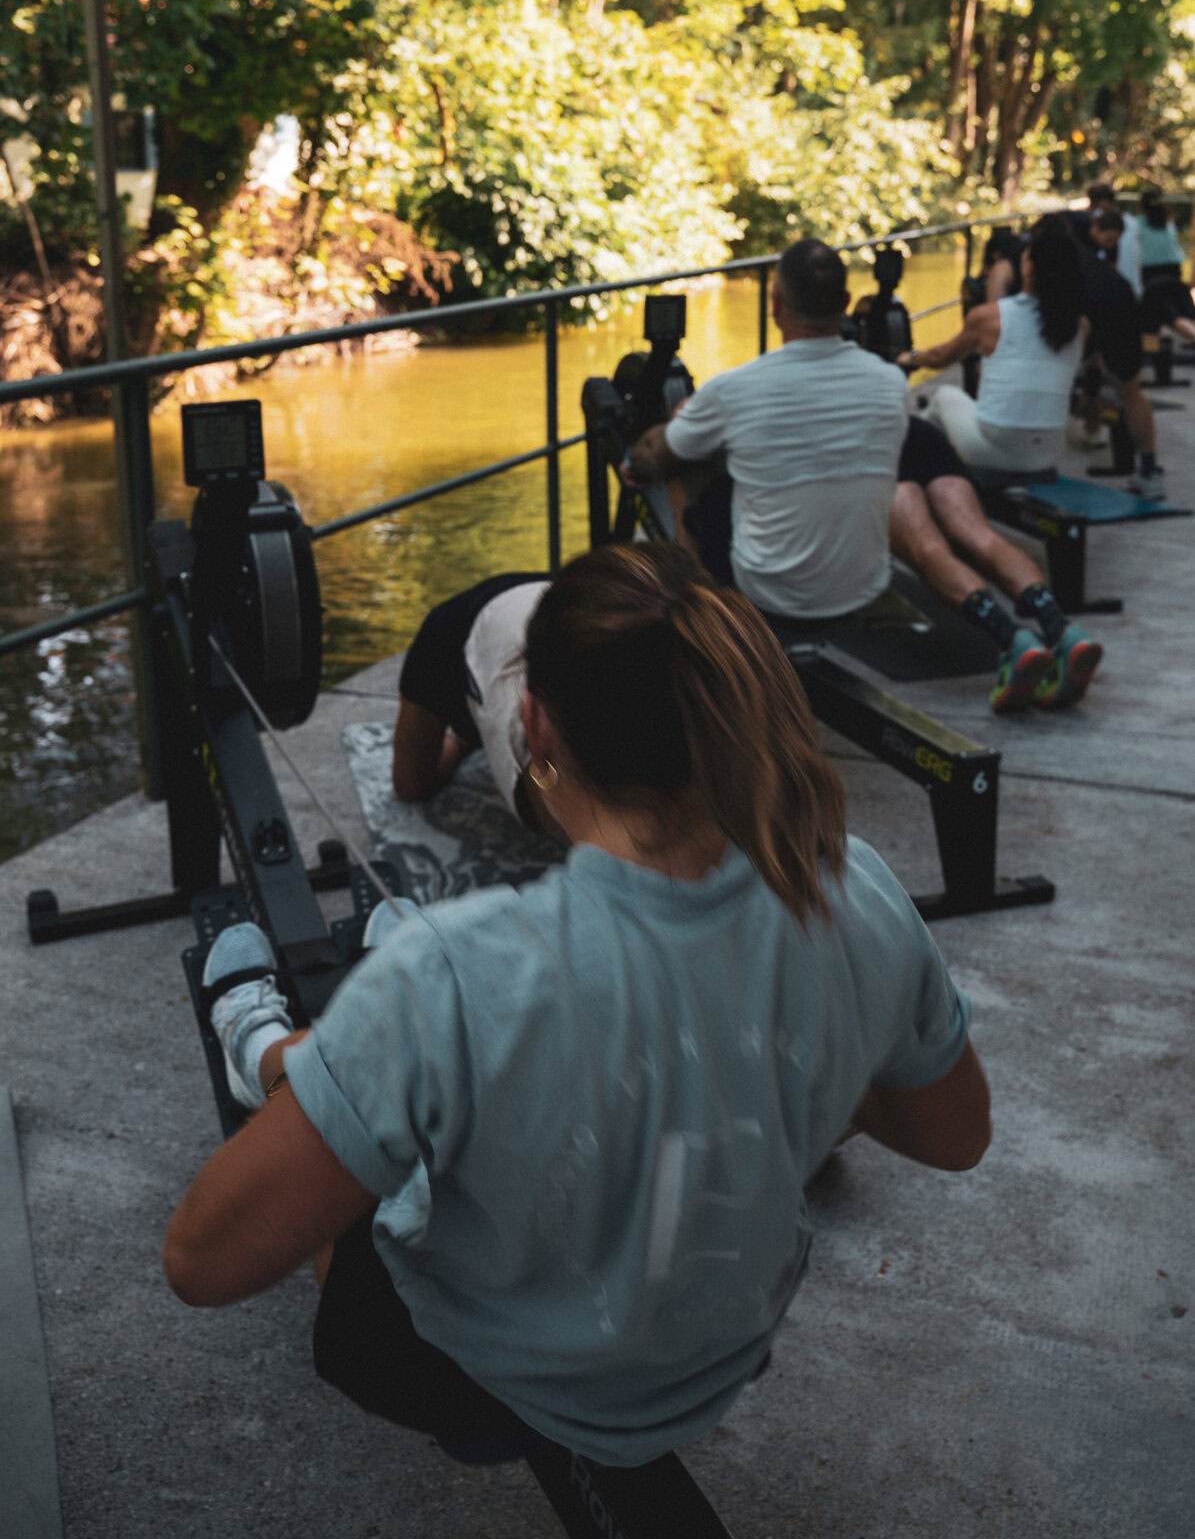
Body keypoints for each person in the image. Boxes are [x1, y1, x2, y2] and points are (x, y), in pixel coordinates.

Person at [164, 543, 990, 1475]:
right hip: (722, 1357)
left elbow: (200, 1259)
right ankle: (310, 1060)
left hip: (478, 1383)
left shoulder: (458, 970)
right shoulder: (856, 887)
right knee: (446, 1060)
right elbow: (954, 1136)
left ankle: (269, 1051)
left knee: (388, 1138)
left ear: (536, 725)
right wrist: (779, 1038)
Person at [627, 239, 909, 621]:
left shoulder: (733, 389)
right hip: (864, 585)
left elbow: (654, 459)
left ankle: (708, 617)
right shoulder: (892, 382)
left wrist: (668, 434)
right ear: (845, 303)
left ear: (775, 303)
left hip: (771, 594)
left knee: (681, 458)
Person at [893, 418, 1102, 709]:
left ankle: (1011, 639)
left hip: (867, 443)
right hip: (915, 431)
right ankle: (1063, 629)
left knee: (927, 550)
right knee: (981, 536)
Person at [898, 214, 1087, 474]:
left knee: (943, 397)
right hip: (1048, 451)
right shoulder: (1079, 326)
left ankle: (923, 474)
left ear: (1029, 267)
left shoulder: (989, 317)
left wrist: (910, 358)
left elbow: (941, 357)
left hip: (996, 446)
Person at [390, 571, 565, 838]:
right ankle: (464, 738)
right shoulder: (443, 635)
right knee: (411, 782)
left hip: (562, 597)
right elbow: (408, 785)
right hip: (463, 625)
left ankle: (466, 737)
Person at [1083, 209, 1166, 500]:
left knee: (1130, 390)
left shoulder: (1098, 247)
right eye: (1106, 239)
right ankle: (1090, 432)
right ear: (1093, 227)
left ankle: (1148, 469)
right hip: (1097, 304)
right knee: (1092, 370)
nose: (1109, 244)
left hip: (1115, 305)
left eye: (1113, 241)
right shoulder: (1072, 238)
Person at [1135, 190, 1195, 347]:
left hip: (1152, 277)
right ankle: (1157, 358)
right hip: (1174, 274)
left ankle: (1153, 354)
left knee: (1167, 318)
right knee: (1171, 315)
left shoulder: (1137, 225)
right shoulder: (1168, 224)